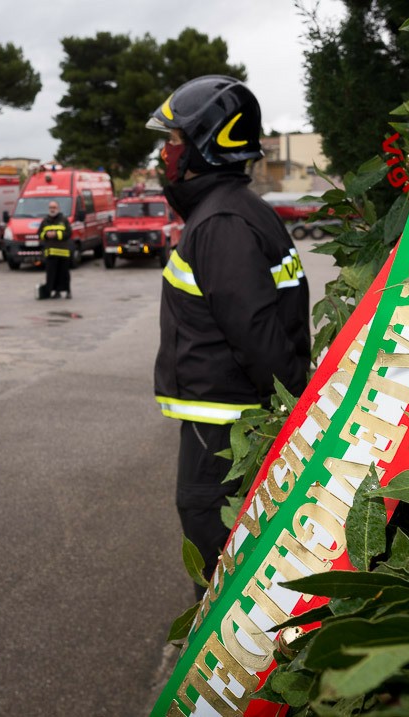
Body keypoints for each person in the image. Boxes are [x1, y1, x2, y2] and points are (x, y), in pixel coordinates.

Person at [146, 76, 311, 597]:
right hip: (230, 418)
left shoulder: (220, 222)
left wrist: (290, 415)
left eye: (174, 139)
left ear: (205, 145)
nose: (166, 152)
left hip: (225, 428)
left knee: (217, 555)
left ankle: (226, 650)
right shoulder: (233, 209)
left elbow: (256, 335)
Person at [37, 201, 73, 299]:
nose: (52, 209)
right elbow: (39, 234)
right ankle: (56, 292)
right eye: (50, 207)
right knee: (52, 274)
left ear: (58, 209)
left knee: (64, 274)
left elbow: (69, 233)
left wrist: (56, 234)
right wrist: (46, 235)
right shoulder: (45, 221)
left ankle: (68, 291)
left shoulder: (64, 220)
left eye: (54, 207)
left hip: (63, 253)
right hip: (50, 253)